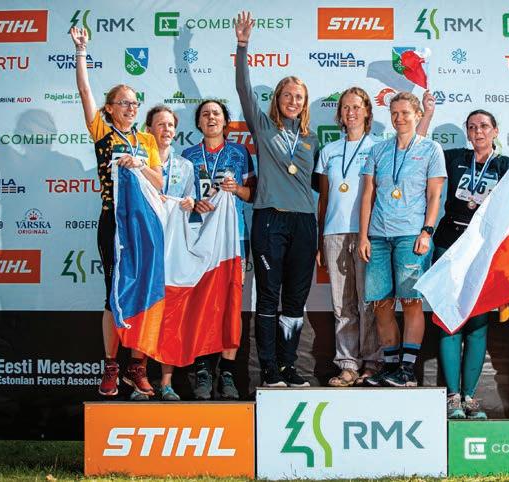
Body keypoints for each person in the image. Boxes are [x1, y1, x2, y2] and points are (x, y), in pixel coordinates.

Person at [316, 88, 435, 387]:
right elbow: (335, 198)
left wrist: (426, 230)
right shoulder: (340, 150)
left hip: (388, 233)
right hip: (352, 233)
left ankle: (382, 364)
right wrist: (325, 239)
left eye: (357, 107)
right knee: (356, 304)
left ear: (368, 111)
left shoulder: (386, 146)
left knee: (388, 302)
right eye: (345, 107)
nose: (351, 112)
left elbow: (416, 152)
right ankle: (354, 365)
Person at [70, 27, 163, 398]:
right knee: (112, 294)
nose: (131, 108)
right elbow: (84, 92)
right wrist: (81, 52)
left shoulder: (147, 140)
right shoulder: (102, 133)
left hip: (144, 225)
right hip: (113, 221)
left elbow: (159, 181)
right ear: (110, 108)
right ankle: (111, 366)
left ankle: (137, 367)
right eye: (123, 102)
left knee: (143, 292)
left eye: (135, 103)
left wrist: (139, 165)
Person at [235, 11, 320, 387]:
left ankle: (288, 365)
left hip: (304, 223)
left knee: (295, 301)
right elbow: (243, 88)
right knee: (268, 297)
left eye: (299, 97)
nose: (293, 101)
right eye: (287, 95)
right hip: (269, 219)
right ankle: (268, 367)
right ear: (277, 99)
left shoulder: (312, 138)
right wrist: (242, 45)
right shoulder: (263, 126)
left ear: (305, 103)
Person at [358, 92, 446, 387]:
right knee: (381, 304)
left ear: (418, 115)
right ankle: (391, 365)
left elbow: (434, 195)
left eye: (405, 113)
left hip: (411, 235)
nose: (399, 118)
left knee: (410, 301)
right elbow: (367, 195)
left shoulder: (431, 149)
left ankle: (407, 369)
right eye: (394, 113)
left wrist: (427, 231)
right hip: (379, 236)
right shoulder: (378, 150)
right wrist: (363, 236)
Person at [432, 109, 509, 418]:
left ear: (495, 131)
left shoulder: (506, 166)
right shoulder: (454, 158)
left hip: (482, 251)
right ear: (467, 133)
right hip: (449, 246)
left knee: (477, 325)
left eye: (484, 126)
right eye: (472, 127)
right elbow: (420, 149)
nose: (478, 131)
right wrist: (426, 114)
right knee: (449, 320)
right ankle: (453, 397)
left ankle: (469, 397)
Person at [181, 99, 255, 400]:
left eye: (216, 113)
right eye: (205, 114)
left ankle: (227, 372)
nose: (211, 118)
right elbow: (179, 199)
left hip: (232, 240)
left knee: (230, 305)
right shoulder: (187, 156)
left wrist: (236, 189)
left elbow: (252, 194)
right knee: (200, 303)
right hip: (197, 239)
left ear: (225, 121)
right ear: (198, 122)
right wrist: (192, 204)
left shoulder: (240, 153)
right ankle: (202, 369)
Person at [144, 105, 195, 401]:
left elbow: (192, 203)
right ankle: (139, 379)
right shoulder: (138, 162)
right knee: (145, 313)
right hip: (146, 248)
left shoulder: (185, 166)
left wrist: (188, 202)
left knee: (171, 317)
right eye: (161, 124)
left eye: (171, 125)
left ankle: (166, 383)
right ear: (148, 129)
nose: (166, 130)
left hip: (174, 250)